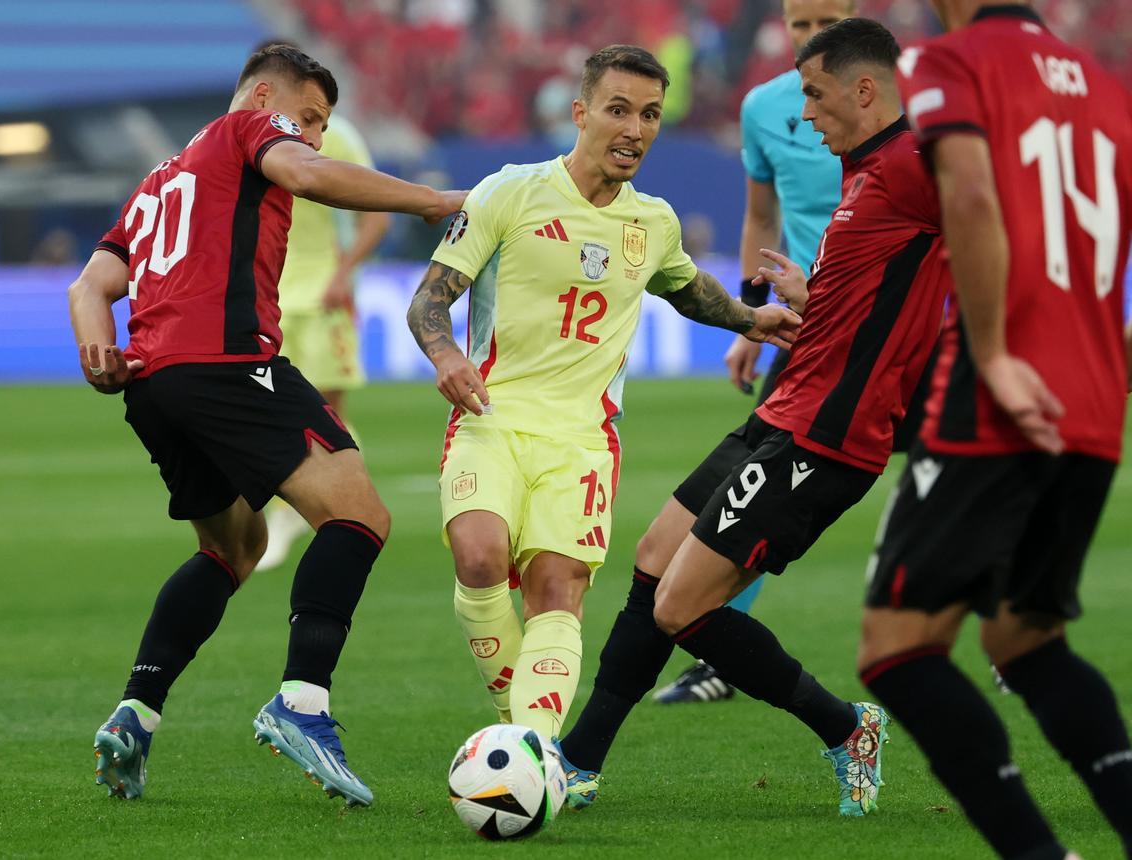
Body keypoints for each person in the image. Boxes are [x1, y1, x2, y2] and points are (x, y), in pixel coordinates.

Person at [557, 18, 949, 817]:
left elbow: (990, 241)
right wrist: (815, 300)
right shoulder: (864, 171)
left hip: (830, 435)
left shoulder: (915, 164)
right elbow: (881, 292)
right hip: (786, 407)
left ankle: (845, 728)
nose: (804, 112)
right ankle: (578, 757)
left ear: (864, 89)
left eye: (814, 92)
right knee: (655, 560)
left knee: (683, 605)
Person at [68, 44, 464, 807]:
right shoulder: (248, 131)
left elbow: (91, 285)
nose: (311, 137)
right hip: (224, 363)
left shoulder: (159, 180)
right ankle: (303, 703)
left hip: (152, 384)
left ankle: (137, 711)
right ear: (259, 97)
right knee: (360, 514)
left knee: (234, 546)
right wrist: (431, 200)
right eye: (307, 117)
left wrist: (96, 352)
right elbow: (310, 176)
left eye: (321, 125)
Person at [405, 45, 800, 744]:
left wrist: (749, 318)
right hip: (491, 418)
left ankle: (531, 749)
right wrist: (444, 355)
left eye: (649, 115)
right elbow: (428, 302)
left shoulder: (653, 222)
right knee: (479, 558)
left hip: (585, 439)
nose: (635, 129)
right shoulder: (510, 191)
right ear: (581, 113)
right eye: (619, 110)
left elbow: (686, 287)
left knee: (557, 592)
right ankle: (519, 731)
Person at [858, 2, 1132, 857]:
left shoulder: (952, 61)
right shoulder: (1105, 87)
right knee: (1025, 637)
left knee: (896, 648)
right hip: (1093, 396)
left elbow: (971, 192)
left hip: (1003, 386)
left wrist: (995, 353)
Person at [654, 0, 853, 706]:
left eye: (826, 21)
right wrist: (747, 320)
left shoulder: (897, 101)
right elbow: (762, 215)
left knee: (971, 473)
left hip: (893, 325)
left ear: (854, 16)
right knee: (758, 483)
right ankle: (719, 653)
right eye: (799, 25)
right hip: (803, 327)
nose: (810, 37)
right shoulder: (765, 108)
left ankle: (1017, 634)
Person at [258, 110, 392, 570]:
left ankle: (338, 511)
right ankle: (308, 508)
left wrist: (344, 272)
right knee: (277, 411)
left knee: (327, 412)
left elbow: (376, 217)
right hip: (269, 296)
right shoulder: (253, 138)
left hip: (324, 297)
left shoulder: (337, 138)